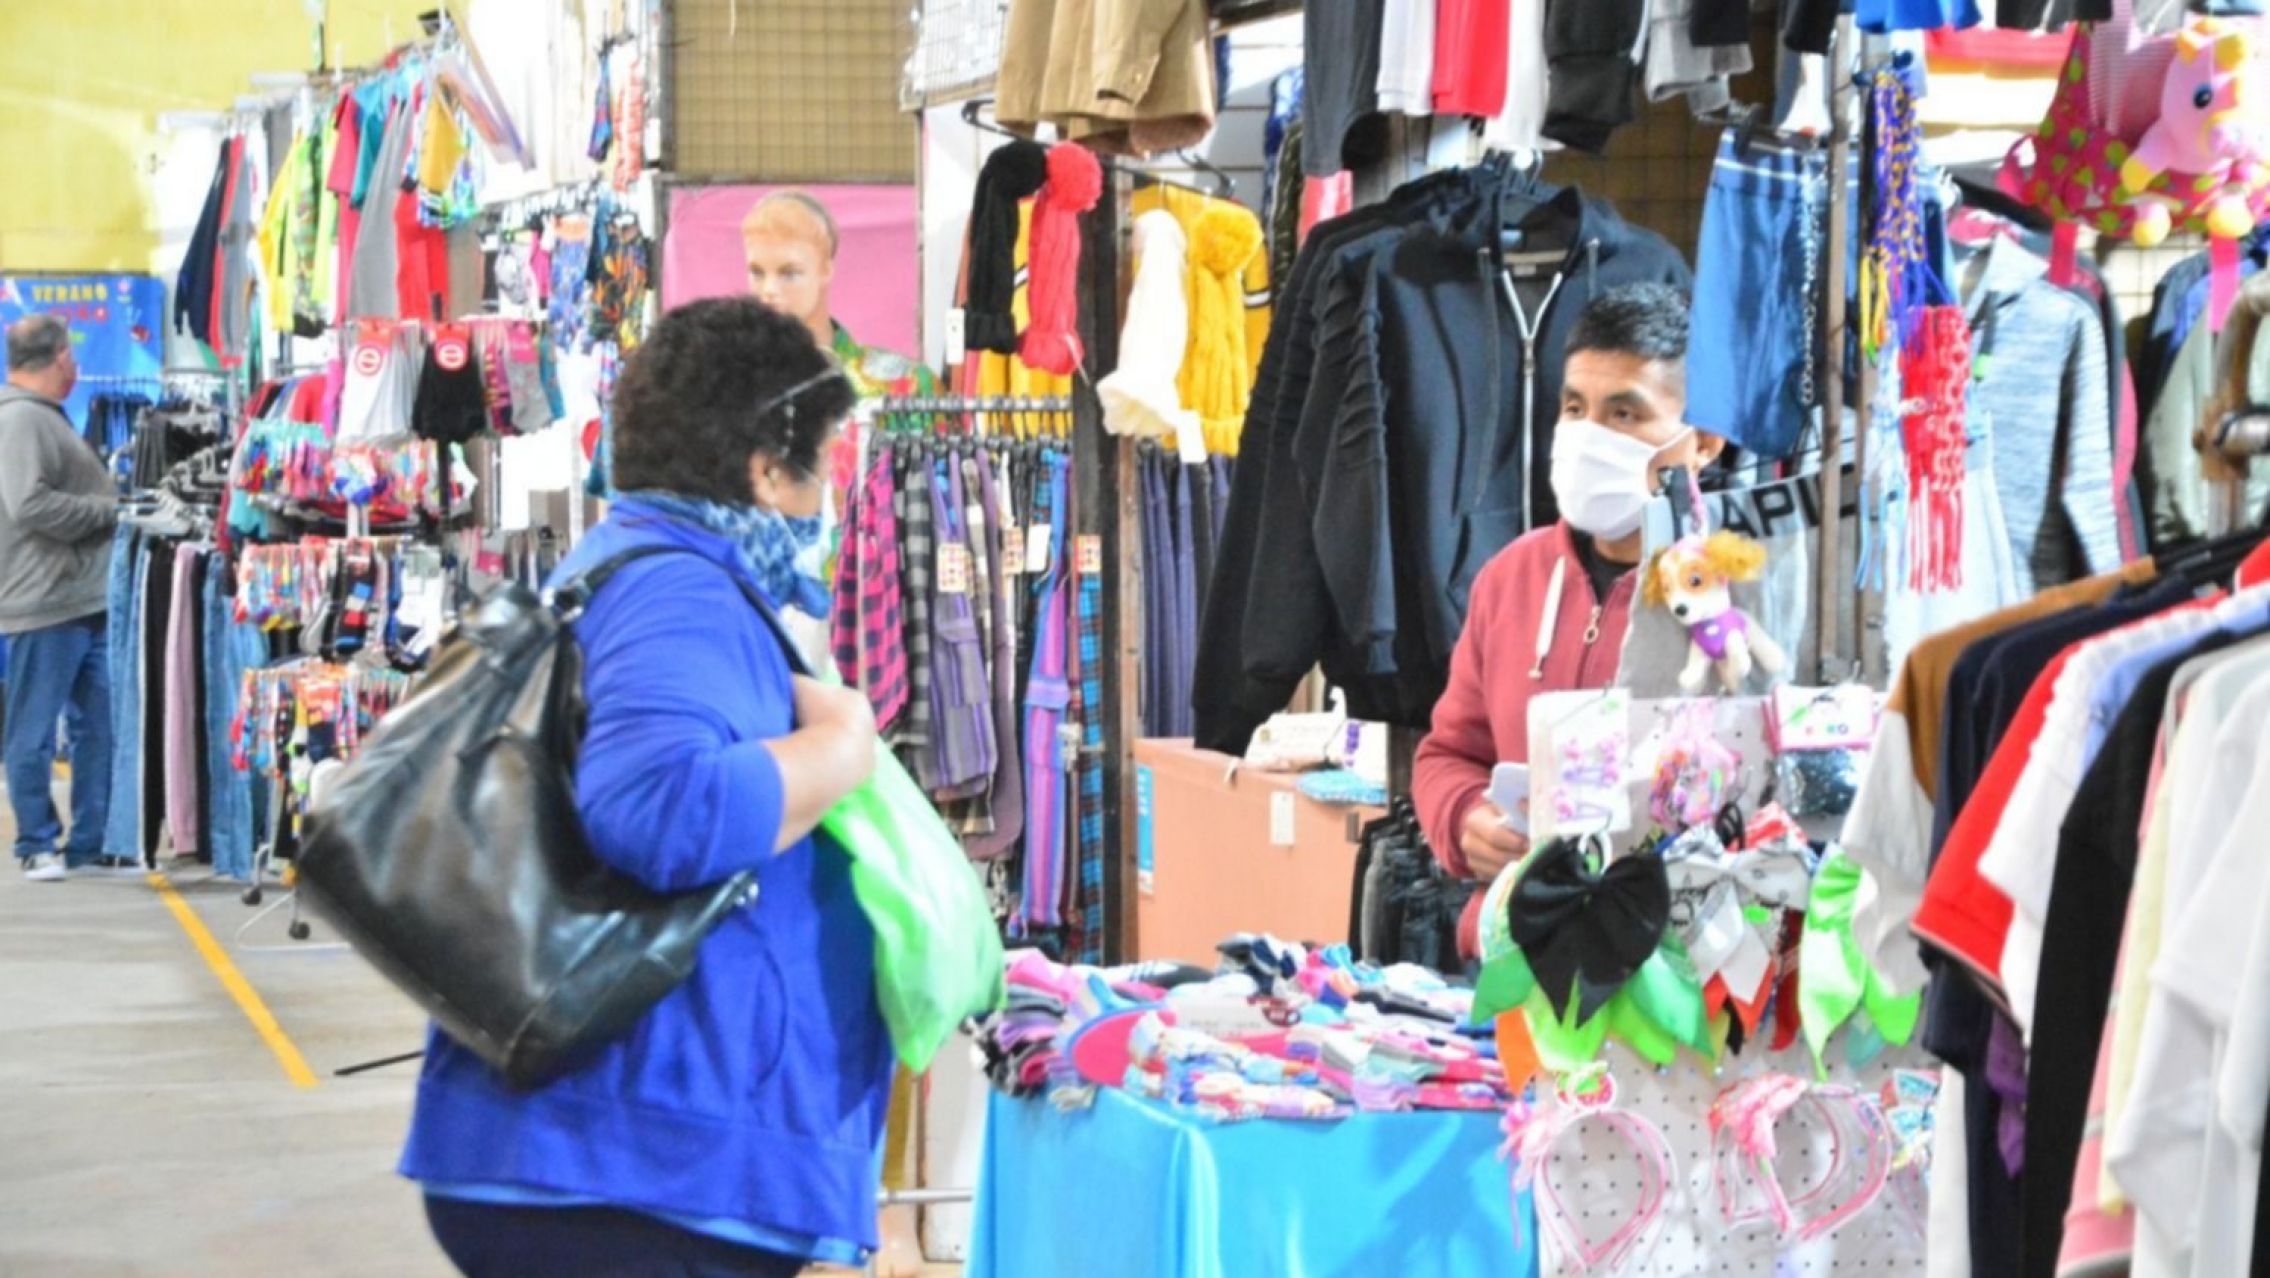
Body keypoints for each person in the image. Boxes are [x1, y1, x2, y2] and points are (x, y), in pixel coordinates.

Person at [398, 298, 895, 1278]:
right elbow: (660, 810)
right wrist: (845, 746)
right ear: (766, 467)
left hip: (608, 1150)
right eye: (825, 460)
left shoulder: (632, 567)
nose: (829, 490)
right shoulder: (679, 592)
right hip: (635, 1166)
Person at [1412, 284, 1726, 959]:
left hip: (1680, 966)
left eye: (1624, 413)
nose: (1589, 436)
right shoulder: (1511, 576)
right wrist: (1466, 818)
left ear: (1703, 440)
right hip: (1518, 956)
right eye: (1575, 408)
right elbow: (1447, 753)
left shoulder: (1738, 592)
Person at [0, 314, 120, 883]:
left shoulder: (45, 416)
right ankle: (36, 842)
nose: (76, 364)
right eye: (71, 354)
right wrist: (107, 511)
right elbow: (28, 504)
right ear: (57, 358)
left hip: (80, 598)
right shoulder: (21, 420)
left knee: (98, 726)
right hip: (43, 600)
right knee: (33, 730)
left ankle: (89, 843)